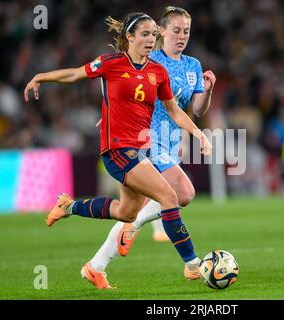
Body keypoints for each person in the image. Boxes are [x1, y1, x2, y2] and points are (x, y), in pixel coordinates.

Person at [24, 12, 213, 289]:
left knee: (126, 212)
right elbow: (75, 73)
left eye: (153, 35)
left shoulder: (156, 72)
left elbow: (174, 111)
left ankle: (69, 206)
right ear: (130, 37)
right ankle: (193, 264)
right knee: (170, 196)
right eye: (145, 35)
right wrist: (41, 76)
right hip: (118, 150)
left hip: (141, 149)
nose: (151, 40)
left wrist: (198, 134)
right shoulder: (111, 64)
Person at [81, 6, 217, 289]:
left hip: (168, 139)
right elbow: (123, 88)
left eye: (187, 31)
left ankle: (97, 265)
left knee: (147, 204)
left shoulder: (192, 65)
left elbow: (196, 109)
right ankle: (185, 260)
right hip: (142, 137)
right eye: (176, 30)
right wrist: (109, 115)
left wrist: (208, 88)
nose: (182, 36)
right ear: (161, 32)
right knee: (182, 193)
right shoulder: (148, 58)